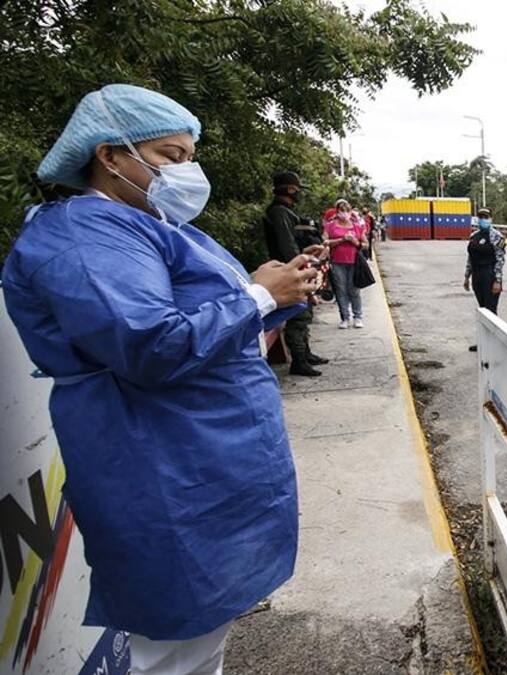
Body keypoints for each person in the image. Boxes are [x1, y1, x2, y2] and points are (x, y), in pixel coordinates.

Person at [2, 84, 317, 675]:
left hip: (207, 454)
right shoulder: (86, 231)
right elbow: (148, 343)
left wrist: (277, 294)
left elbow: (210, 321)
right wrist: (255, 295)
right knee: (169, 641)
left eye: (190, 156)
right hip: (161, 459)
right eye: (172, 156)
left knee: (201, 636)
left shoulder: (158, 227)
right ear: (110, 156)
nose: (188, 171)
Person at [264, 170, 327, 375]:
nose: (299, 193)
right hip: (288, 270)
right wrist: (300, 263)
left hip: (295, 266)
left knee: (305, 313)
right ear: (291, 189)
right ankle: (298, 361)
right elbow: (287, 246)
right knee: (298, 316)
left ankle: (305, 353)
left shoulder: (286, 211)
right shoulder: (280, 212)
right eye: (298, 189)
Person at [464, 207, 505, 351]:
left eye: (486, 217)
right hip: (477, 275)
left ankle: (494, 343)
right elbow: (470, 258)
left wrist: (497, 280)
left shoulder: (497, 236)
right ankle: (483, 342)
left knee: (491, 310)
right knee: (482, 310)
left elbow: (500, 260)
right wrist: (467, 276)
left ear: (491, 218)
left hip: (490, 275)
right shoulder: (474, 236)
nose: (483, 220)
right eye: (481, 217)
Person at [324, 199, 367, 329]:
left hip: (354, 262)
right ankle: (345, 317)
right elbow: (325, 242)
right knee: (341, 290)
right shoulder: (331, 226)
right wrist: (341, 240)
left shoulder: (356, 226)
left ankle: (358, 317)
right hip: (337, 262)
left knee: (354, 290)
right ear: (337, 212)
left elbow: (365, 245)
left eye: (347, 210)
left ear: (350, 211)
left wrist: (355, 242)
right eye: (341, 211)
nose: (344, 213)